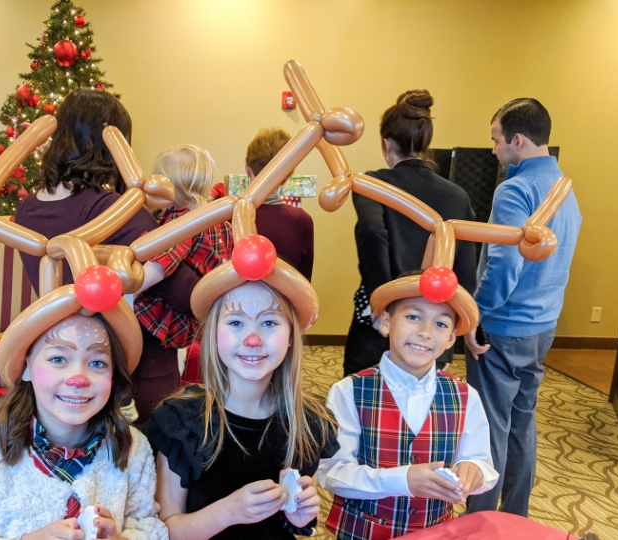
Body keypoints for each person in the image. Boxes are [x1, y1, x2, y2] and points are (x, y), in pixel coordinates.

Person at [14, 89, 201, 422]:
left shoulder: (27, 208)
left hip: (62, 360)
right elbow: (187, 293)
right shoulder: (113, 209)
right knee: (150, 461)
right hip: (138, 369)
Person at [145, 233, 338, 539]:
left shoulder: (307, 422)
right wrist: (228, 512)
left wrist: (301, 517)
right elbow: (166, 530)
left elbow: (298, 522)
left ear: (290, 336)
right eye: (236, 322)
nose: (252, 339)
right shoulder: (181, 423)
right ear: (214, 333)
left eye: (269, 323)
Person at [0, 313, 167, 539]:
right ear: (26, 367)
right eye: (58, 359)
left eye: (97, 363)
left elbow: (146, 524)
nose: (78, 378)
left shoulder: (133, 449)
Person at [464, 98, 581, 517]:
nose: (494, 150)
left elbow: (504, 264)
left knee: (489, 425)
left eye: (496, 140)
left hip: (505, 326)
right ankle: (515, 516)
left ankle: (480, 518)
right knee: (521, 422)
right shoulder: (564, 187)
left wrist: (475, 314)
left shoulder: (515, 189)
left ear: (517, 140)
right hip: (542, 326)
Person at [320, 269, 498, 539]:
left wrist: (475, 471)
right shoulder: (348, 392)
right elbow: (332, 472)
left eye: (441, 324)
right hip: (362, 533)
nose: (426, 332)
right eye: (413, 317)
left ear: (451, 339)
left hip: (434, 532)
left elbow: (482, 463)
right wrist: (403, 480)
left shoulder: (465, 396)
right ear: (384, 322)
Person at [344, 90, 476, 377]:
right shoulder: (457, 195)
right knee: (423, 406)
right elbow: (466, 271)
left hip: (378, 319)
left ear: (387, 144)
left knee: (360, 399)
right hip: (433, 321)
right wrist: (455, 329)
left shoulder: (373, 184)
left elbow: (372, 234)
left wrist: (384, 305)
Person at [136, 144, 233, 385]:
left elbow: (162, 262)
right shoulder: (221, 220)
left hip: (168, 318)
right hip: (201, 314)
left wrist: (129, 288)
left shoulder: (182, 221)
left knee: (121, 320)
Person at [245, 128, 315, 280]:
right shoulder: (302, 221)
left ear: (247, 167)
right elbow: (305, 281)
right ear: (289, 173)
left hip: (233, 304)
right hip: (285, 302)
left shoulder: (226, 215)